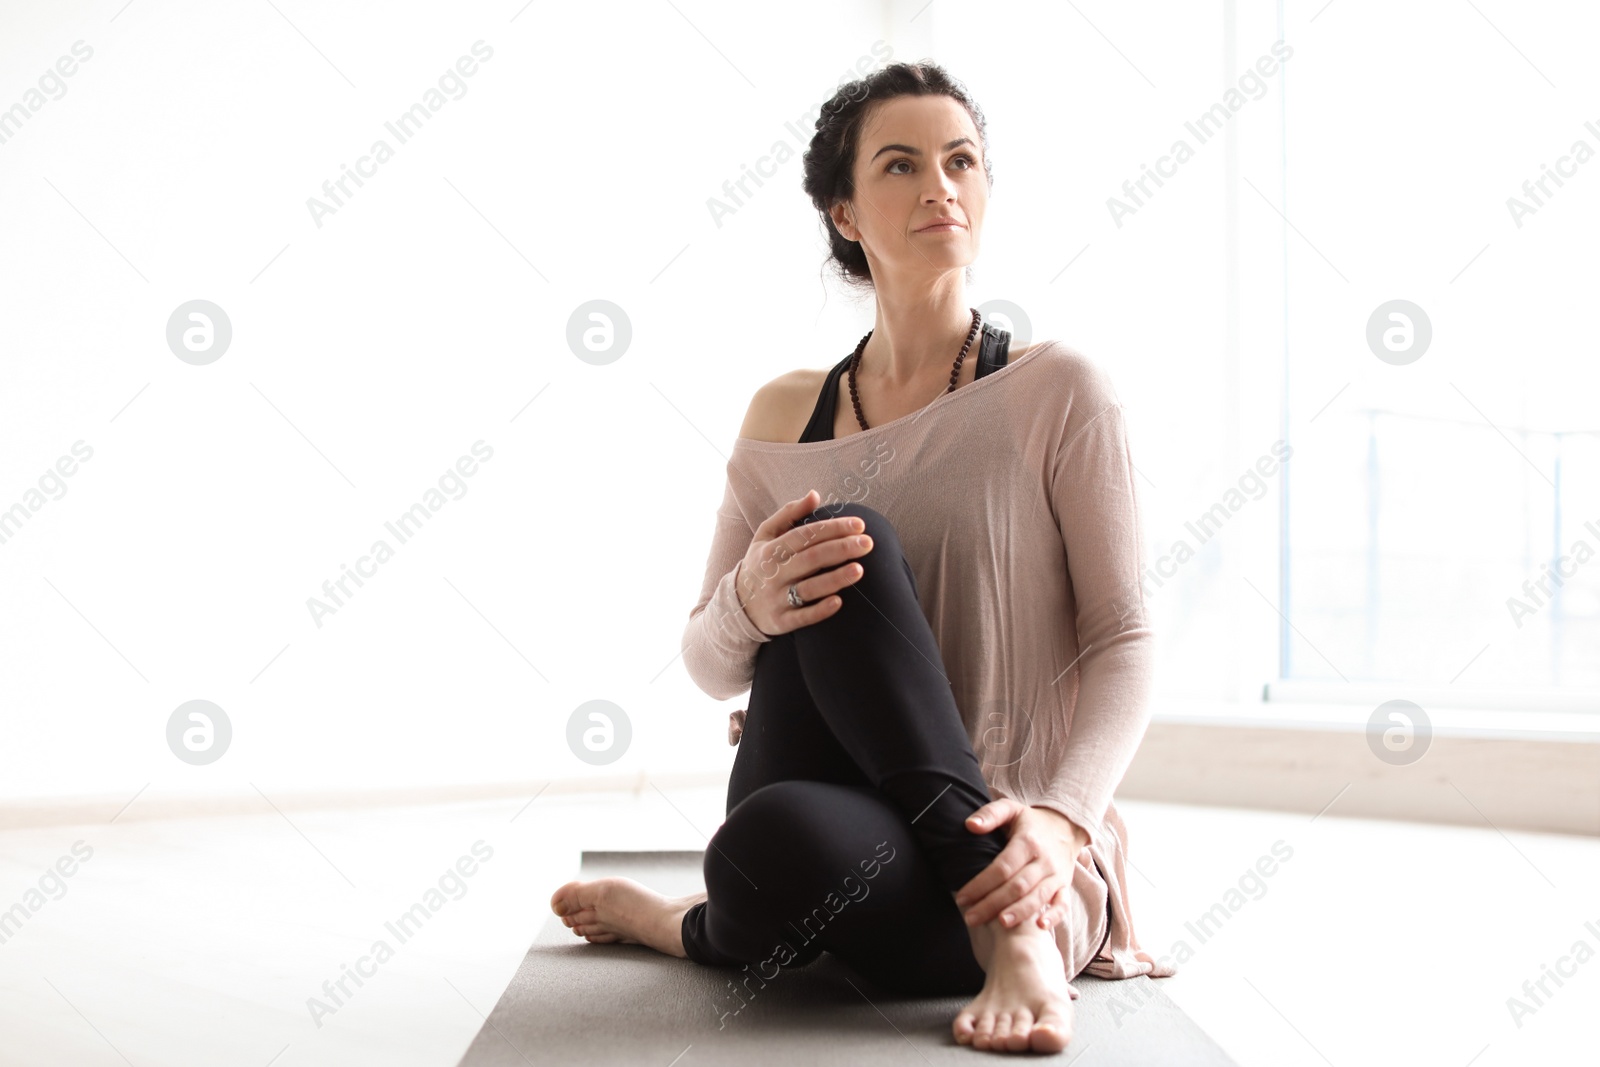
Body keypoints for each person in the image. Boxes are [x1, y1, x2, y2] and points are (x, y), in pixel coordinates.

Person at [549, 60, 1173, 1055]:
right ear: (843, 211)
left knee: (848, 552)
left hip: (1013, 844)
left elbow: (1126, 636)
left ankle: (1002, 924)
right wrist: (748, 600)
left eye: (962, 161)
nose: (941, 187)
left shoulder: (1060, 388)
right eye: (901, 165)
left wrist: (1060, 821)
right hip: (854, 827)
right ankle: (698, 918)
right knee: (763, 833)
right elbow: (713, 666)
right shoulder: (783, 413)